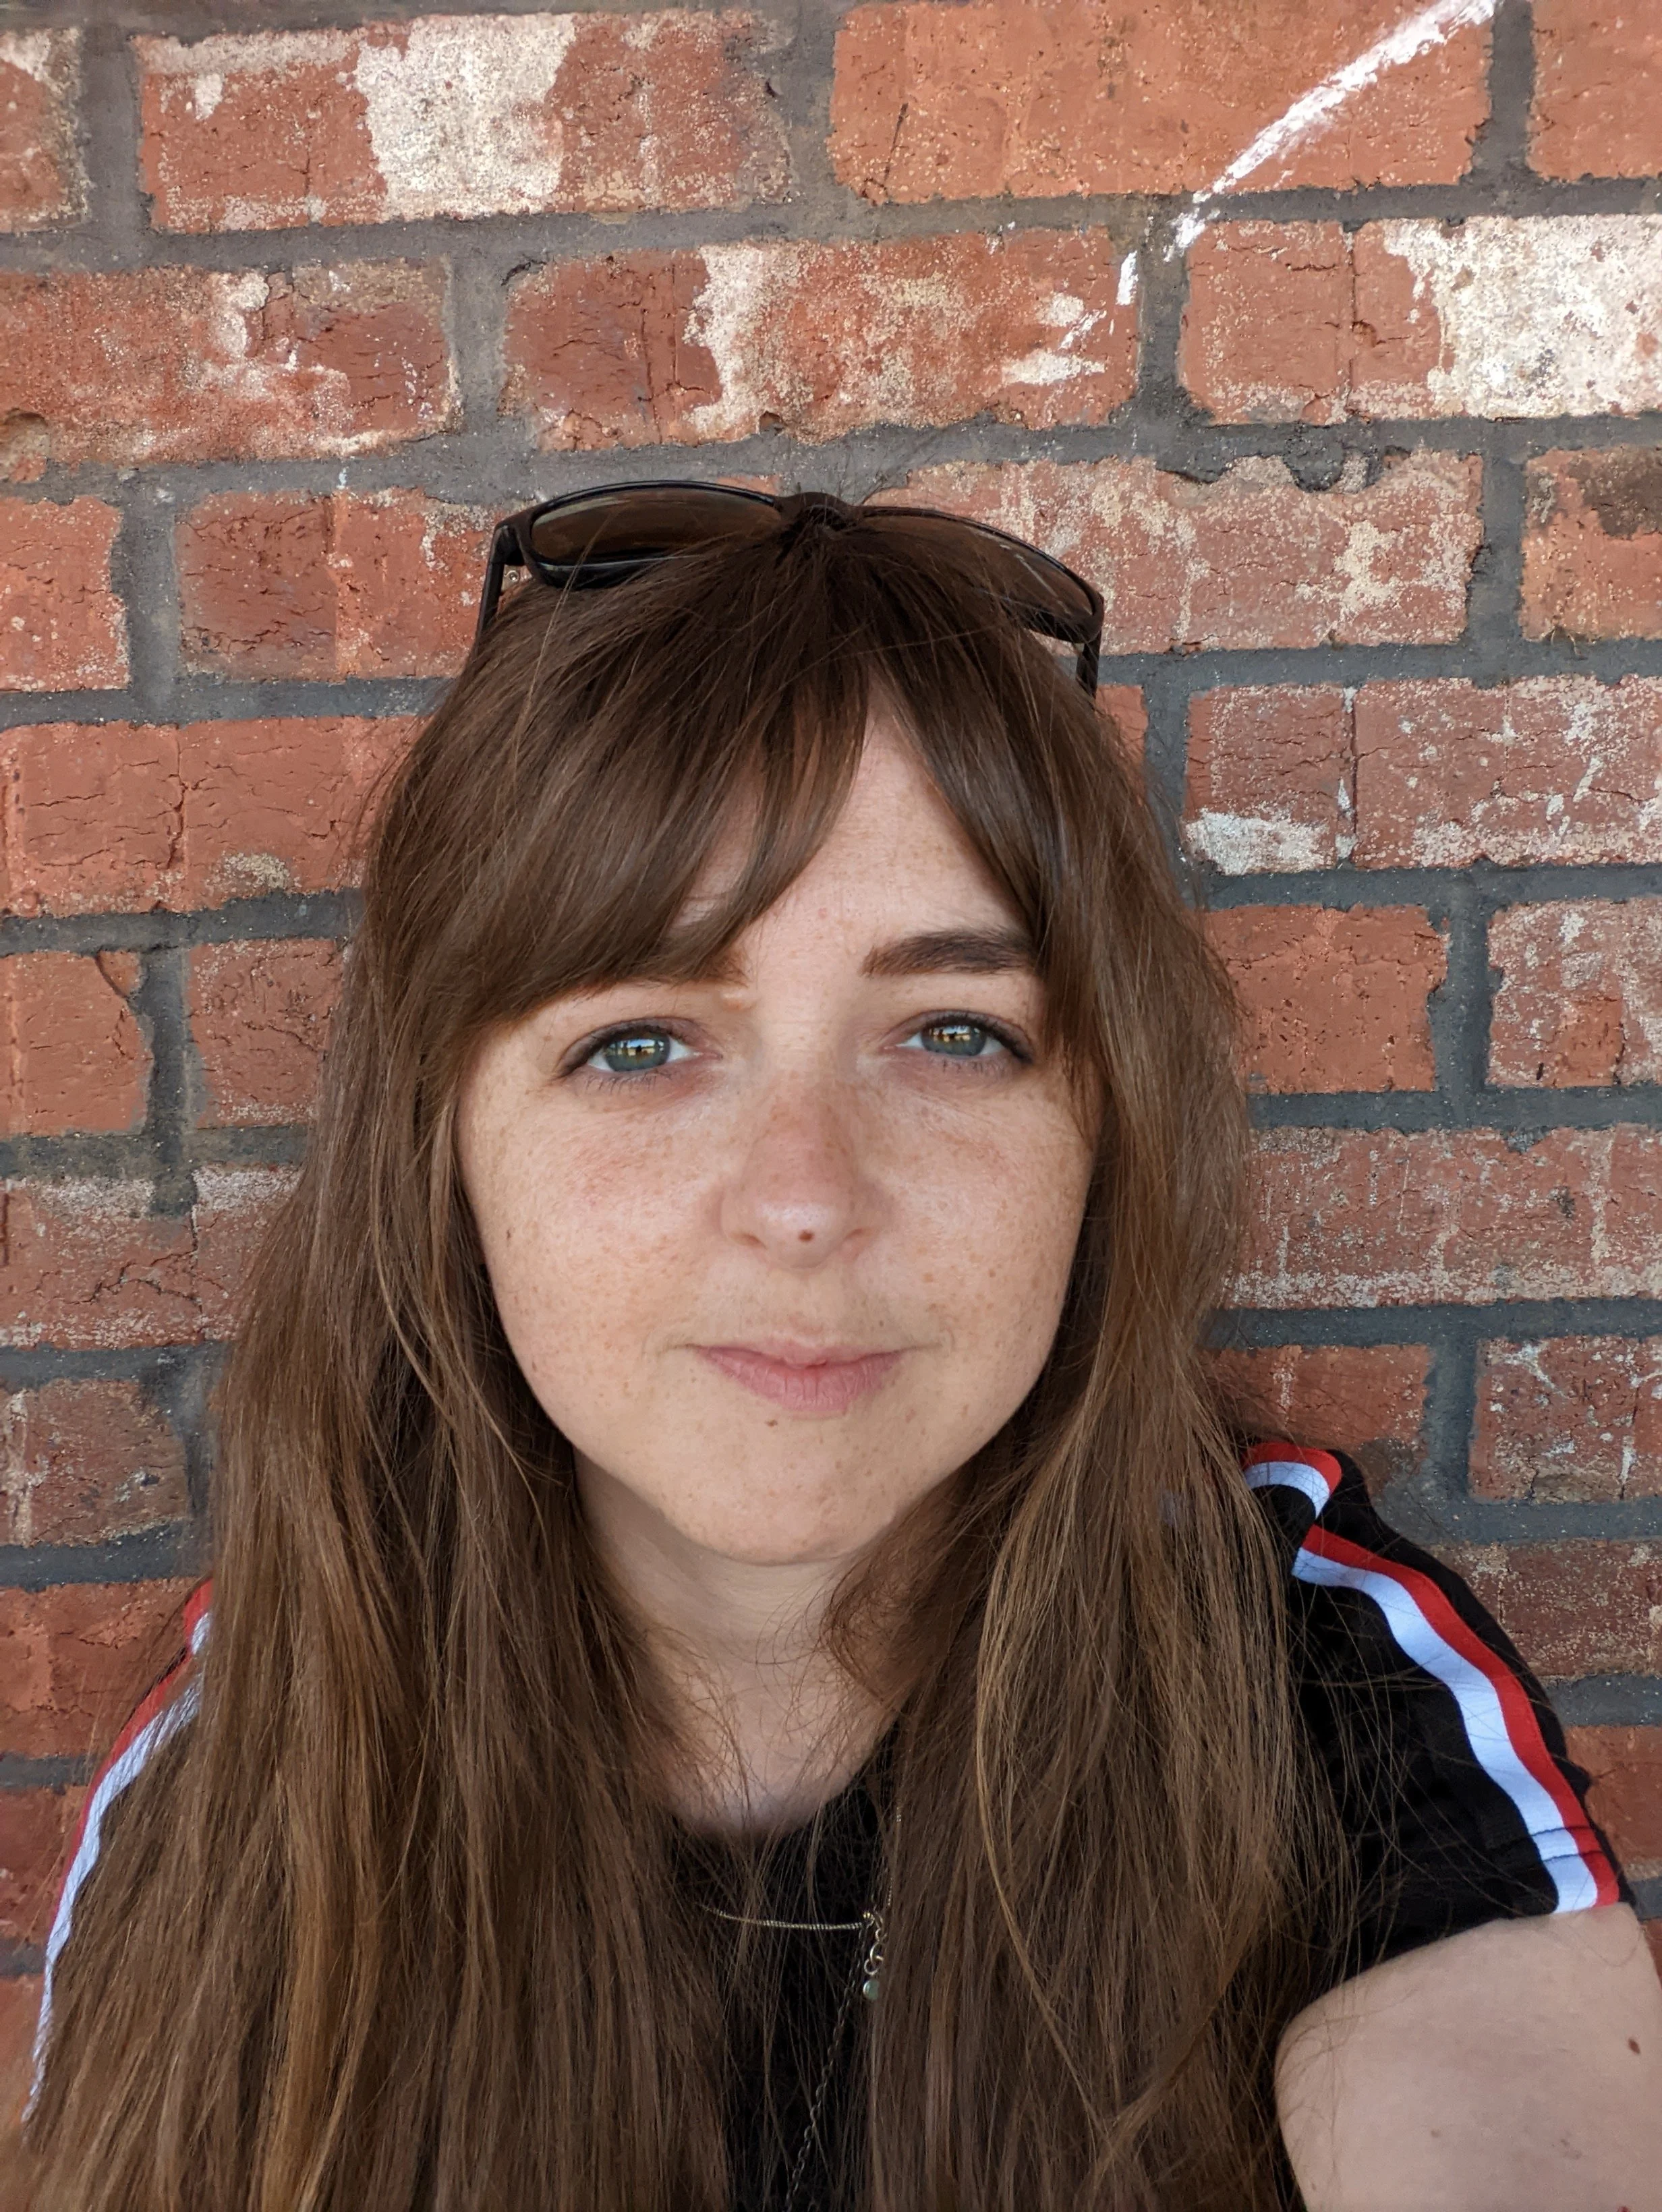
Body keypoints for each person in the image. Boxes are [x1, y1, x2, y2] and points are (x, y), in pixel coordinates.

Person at [16, 486, 1662, 2212]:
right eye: (642, 1043)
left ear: (1096, 1132)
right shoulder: (261, 1739)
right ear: (446, 1153)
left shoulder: (1317, 1687)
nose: (803, 1200)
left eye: (952, 1031)